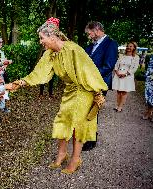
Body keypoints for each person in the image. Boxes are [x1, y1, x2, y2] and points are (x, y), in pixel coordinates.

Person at [12, 17, 107, 174]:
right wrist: (21, 83)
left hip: (84, 90)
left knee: (78, 124)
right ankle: (62, 154)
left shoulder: (73, 49)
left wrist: (97, 92)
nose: (41, 41)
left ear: (52, 36)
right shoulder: (50, 54)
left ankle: (75, 159)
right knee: (62, 120)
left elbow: (89, 71)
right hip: (70, 90)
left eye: (42, 38)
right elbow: (39, 73)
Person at [84, 21, 118, 151]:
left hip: (99, 83)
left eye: (89, 33)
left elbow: (108, 66)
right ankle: (86, 134)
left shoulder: (111, 44)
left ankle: (91, 139)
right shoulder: (90, 46)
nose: (88, 36)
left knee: (93, 111)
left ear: (97, 30)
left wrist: (89, 76)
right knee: (86, 109)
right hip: (87, 83)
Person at [112, 42, 139, 112]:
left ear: (134, 48)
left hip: (127, 76)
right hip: (118, 74)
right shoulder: (121, 55)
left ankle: (120, 107)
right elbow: (116, 65)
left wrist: (125, 74)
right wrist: (117, 72)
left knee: (124, 92)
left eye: (131, 46)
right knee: (118, 91)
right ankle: (117, 105)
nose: (128, 48)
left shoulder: (136, 57)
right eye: (128, 46)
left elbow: (134, 68)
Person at [142, 56, 153, 121]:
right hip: (149, 80)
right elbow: (148, 68)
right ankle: (149, 112)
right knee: (149, 97)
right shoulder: (150, 57)